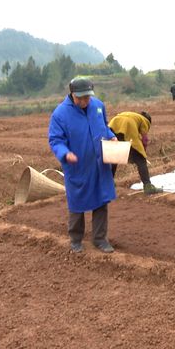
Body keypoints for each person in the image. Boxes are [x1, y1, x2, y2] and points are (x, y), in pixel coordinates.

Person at [48, 77, 116, 253]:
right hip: (77, 166)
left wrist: (111, 135)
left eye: (88, 97)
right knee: (77, 203)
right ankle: (76, 239)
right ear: (72, 94)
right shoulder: (60, 114)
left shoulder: (98, 106)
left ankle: (100, 239)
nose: (85, 101)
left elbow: (104, 126)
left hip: (99, 164)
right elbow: (55, 140)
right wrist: (65, 153)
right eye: (81, 98)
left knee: (101, 201)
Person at [108, 111, 164, 195]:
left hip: (112, 127)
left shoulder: (133, 116)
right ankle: (148, 186)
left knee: (115, 157)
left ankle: (109, 184)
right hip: (127, 126)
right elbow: (144, 140)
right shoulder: (145, 121)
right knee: (141, 160)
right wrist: (142, 154)